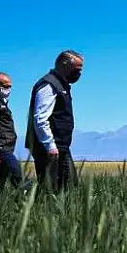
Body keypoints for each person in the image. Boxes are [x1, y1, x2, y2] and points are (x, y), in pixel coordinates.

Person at [25, 50, 84, 193]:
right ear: (64, 65)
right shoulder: (49, 85)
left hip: (60, 146)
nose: (79, 74)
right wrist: (49, 145)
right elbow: (40, 118)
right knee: (50, 189)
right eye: (77, 70)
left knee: (69, 186)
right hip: (49, 147)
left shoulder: (61, 85)